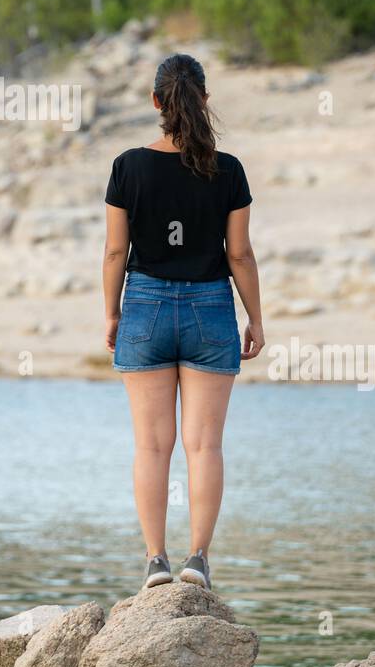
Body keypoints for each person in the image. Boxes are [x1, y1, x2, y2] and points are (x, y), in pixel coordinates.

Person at [103, 52, 264, 591]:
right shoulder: (229, 170)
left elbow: (113, 253)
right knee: (205, 446)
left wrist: (111, 314)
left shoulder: (127, 166)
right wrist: (255, 319)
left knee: (151, 446)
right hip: (210, 309)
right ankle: (198, 559)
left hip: (144, 306)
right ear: (205, 100)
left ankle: (155, 562)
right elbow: (239, 254)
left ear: (156, 103)